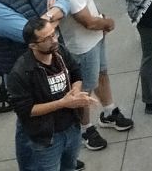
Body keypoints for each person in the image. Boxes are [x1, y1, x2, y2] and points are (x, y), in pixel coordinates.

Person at [43, 0, 131, 150]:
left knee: (102, 73)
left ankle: (109, 111)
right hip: (83, 45)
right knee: (85, 88)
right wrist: (107, 22)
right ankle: (85, 129)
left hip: (93, 39)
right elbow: (88, 22)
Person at [10, 13, 93, 171]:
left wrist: (75, 93)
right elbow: (26, 111)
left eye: (53, 33)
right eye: (46, 39)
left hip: (71, 128)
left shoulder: (59, 51)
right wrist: (63, 103)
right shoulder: (21, 72)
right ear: (32, 46)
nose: (54, 40)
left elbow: (76, 72)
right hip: (47, 138)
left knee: (69, 167)